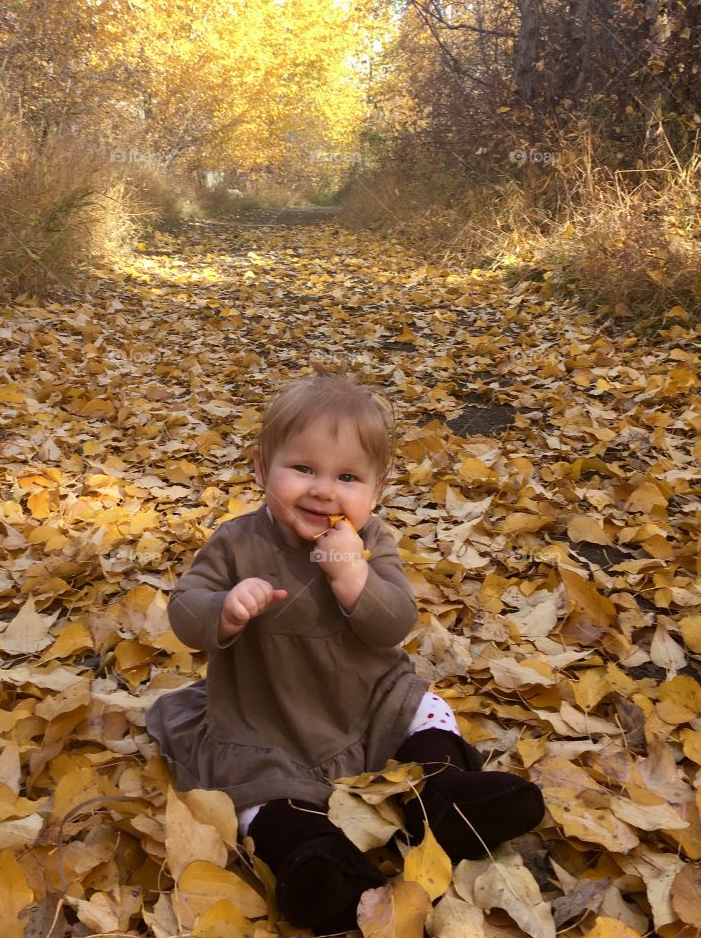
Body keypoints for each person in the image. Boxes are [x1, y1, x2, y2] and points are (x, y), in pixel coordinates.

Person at [146, 374, 544, 934]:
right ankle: (313, 854)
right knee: (249, 789)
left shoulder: (371, 540)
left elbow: (393, 625)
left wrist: (355, 578)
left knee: (421, 708)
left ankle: (443, 792)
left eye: (348, 477)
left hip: (364, 698)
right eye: (303, 469)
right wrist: (225, 609)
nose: (324, 491)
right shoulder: (238, 543)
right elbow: (186, 611)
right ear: (262, 468)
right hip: (266, 715)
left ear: (375, 490)